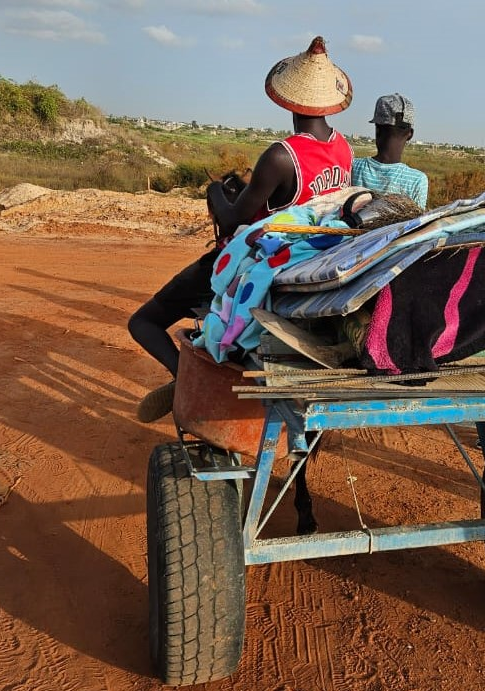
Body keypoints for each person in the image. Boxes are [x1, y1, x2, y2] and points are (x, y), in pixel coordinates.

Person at [130, 36, 354, 422]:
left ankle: (184, 376)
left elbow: (233, 220)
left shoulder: (282, 156)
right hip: (316, 258)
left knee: (143, 322)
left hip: (266, 261)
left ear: (288, 99)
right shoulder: (344, 148)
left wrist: (216, 191)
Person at [351, 94, 429, 208]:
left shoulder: (353, 166)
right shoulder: (417, 180)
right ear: (410, 134)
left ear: (377, 129)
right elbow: (416, 224)